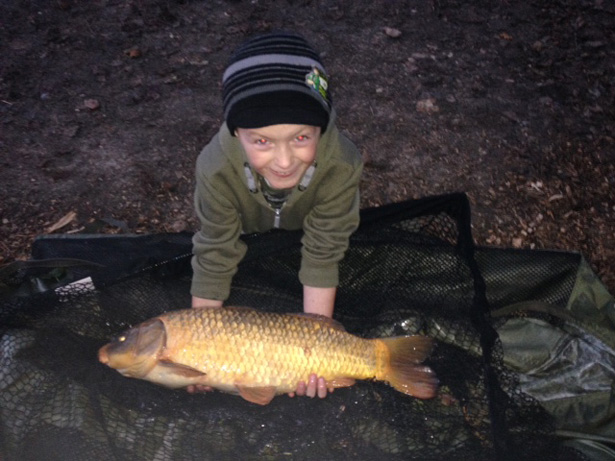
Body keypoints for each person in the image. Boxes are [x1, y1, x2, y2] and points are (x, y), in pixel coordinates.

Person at [190, 32, 363, 399]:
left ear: (321, 126)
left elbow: (323, 250)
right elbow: (215, 251)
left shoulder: (341, 162)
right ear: (237, 133)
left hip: (310, 229)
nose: (284, 162)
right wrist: (198, 347)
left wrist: (318, 345)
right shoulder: (214, 167)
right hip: (246, 234)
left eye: (301, 138)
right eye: (262, 141)